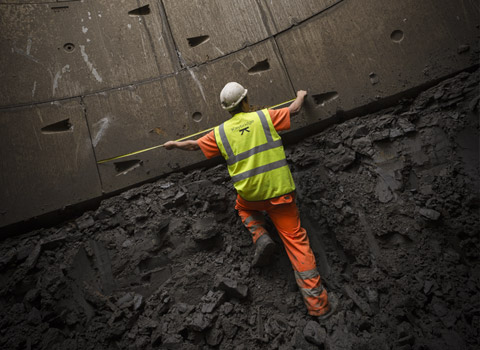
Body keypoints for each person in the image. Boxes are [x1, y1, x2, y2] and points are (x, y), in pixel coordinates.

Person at [164, 82, 337, 320]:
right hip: (280, 196)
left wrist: (175, 145)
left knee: (242, 208)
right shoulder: (264, 118)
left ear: (227, 109)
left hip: (251, 197)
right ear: (245, 100)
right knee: (297, 244)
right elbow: (295, 110)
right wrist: (301, 95)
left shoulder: (221, 133)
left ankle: (260, 235)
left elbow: (194, 145)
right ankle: (319, 307)